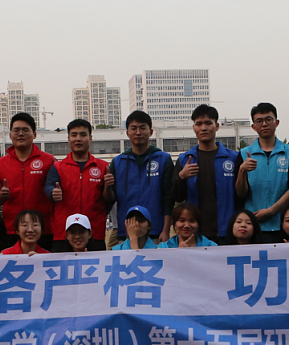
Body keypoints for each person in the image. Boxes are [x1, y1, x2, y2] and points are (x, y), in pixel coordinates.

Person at [174, 105, 240, 243]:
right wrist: (181, 177)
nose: (203, 128)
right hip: (195, 233)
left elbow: (241, 195)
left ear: (217, 126)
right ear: (194, 128)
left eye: (208, 123)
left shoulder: (233, 158)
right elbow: (177, 197)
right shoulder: (184, 159)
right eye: (199, 124)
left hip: (227, 232)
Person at [107, 110, 174, 244]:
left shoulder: (163, 159)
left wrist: (166, 230)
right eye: (134, 128)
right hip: (125, 233)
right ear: (127, 133)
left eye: (142, 128)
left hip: (156, 232)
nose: (138, 132)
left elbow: (168, 198)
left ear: (151, 132)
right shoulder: (118, 162)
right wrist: (106, 187)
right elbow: (110, 199)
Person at [236, 102, 289, 240]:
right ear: (254, 127)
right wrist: (242, 171)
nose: (264, 124)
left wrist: (272, 210)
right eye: (259, 121)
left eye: (268, 119)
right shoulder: (243, 154)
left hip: (283, 224)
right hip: (253, 224)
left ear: (277, 122)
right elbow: (240, 193)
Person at [45, 119, 112, 251]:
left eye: (83, 134)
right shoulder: (58, 167)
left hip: (94, 233)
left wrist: (108, 188)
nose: (78, 139)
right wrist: (53, 192)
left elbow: (109, 200)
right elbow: (48, 187)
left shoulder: (103, 167)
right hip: (64, 234)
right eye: (74, 135)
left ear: (90, 138)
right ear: (68, 139)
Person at [0, 112, 55, 251]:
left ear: (34, 134)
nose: (20, 134)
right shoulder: (1, 163)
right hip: (11, 229)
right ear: (10, 135)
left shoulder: (49, 161)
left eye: (25, 130)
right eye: (16, 130)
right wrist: (2, 195)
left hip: (42, 229)